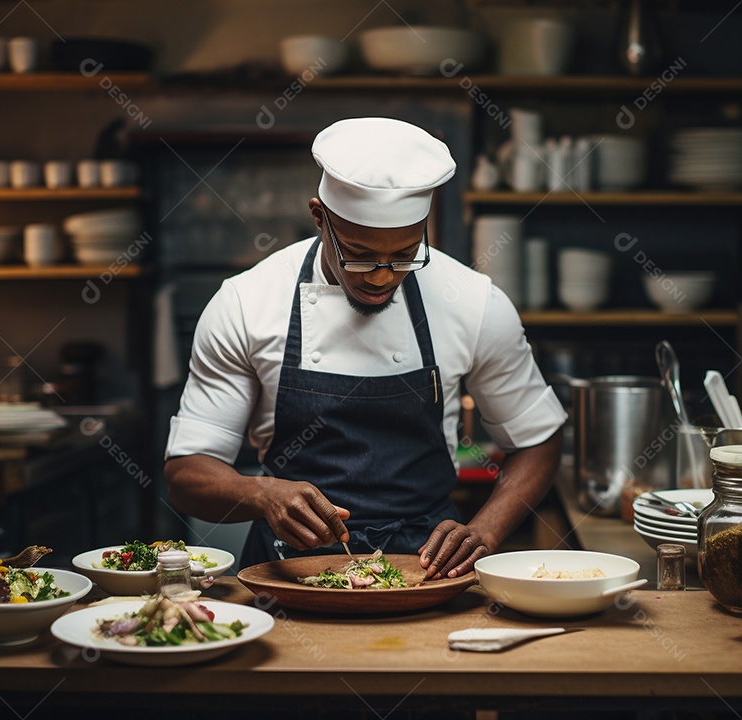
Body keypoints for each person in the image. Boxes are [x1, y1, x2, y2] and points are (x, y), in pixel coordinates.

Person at [165, 117, 565, 579]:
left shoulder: (474, 303)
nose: (382, 277)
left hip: (428, 573)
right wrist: (262, 494)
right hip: (289, 574)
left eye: (405, 255)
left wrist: (487, 530)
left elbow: (537, 438)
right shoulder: (246, 303)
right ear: (320, 217)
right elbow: (186, 474)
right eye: (359, 255)